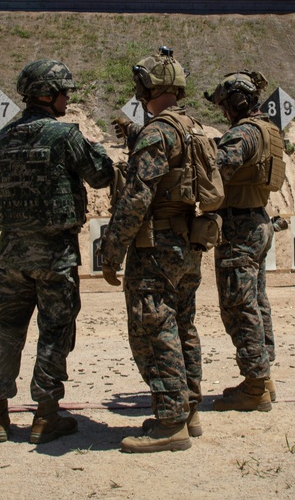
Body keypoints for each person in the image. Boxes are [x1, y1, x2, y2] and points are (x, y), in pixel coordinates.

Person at [0, 59, 114, 444]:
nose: (67, 98)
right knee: (55, 331)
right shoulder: (63, 135)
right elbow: (102, 175)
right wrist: (98, 146)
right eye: (64, 92)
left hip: (12, 256)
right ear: (47, 94)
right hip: (55, 255)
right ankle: (46, 415)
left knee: (8, 329)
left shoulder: (3, 138)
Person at [100, 48, 205, 454]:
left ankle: (169, 423)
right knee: (183, 326)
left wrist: (111, 251)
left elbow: (136, 197)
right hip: (187, 243)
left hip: (155, 246)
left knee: (153, 327)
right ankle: (188, 409)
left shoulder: (156, 132)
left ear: (149, 87)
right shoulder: (193, 128)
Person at [203, 70, 286, 412]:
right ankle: (263, 377)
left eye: (224, 105)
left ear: (236, 102)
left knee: (239, 306)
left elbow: (217, 170)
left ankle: (254, 386)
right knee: (256, 302)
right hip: (257, 221)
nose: (223, 112)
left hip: (239, 226)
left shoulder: (244, 134)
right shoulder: (269, 129)